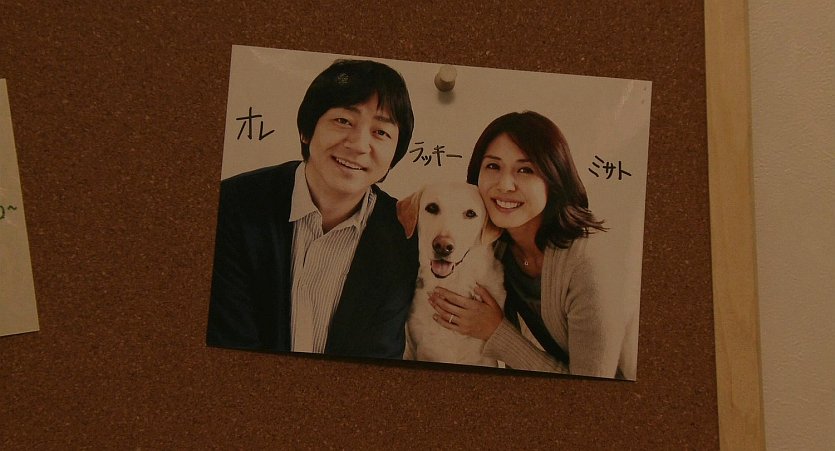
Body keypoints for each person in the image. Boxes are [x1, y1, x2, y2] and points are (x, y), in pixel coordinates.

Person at [206, 59, 419, 360]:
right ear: (307, 130)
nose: (359, 145)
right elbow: (227, 339)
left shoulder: (407, 235)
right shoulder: (231, 205)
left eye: (381, 132)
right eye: (344, 120)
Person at [428, 111, 633, 378]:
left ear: (554, 178)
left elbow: (590, 390)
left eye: (525, 170)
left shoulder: (587, 261)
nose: (504, 185)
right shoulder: (494, 245)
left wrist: (495, 332)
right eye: (493, 166)